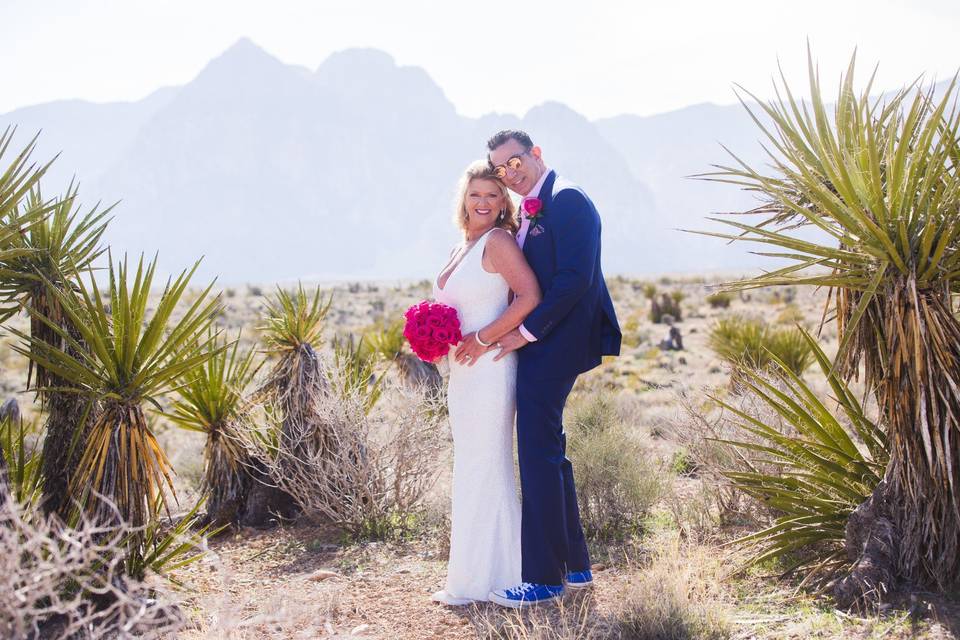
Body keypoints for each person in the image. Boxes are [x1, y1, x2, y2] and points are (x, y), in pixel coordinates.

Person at [455, 130, 622, 607]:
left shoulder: (568, 200)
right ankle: (576, 565)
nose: (510, 172)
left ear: (536, 154)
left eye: (514, 162)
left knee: (536, 454)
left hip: (557, 343)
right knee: (550, 450)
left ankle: (544, 579)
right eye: (501, 168)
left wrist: (523, 335)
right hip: (543, 344)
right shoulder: (534, 207)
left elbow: (575, 281)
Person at [430, 160, 542, 605]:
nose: (483, 202)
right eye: (476, 194)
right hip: (463, 372)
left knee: (486, 464)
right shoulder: (464, 245)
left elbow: (530, 296)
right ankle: (484, 572)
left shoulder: (497, 243)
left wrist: (482, 337)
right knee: (472, 464)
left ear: (503, 204)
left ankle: (491, 577)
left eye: (492, 195)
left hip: (491, 366)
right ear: (464, 199)